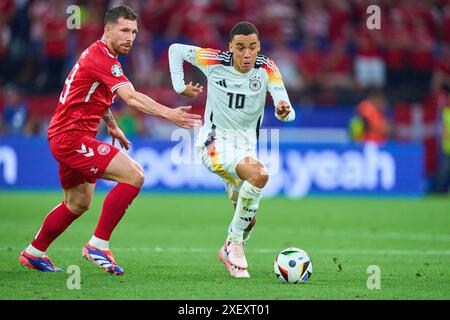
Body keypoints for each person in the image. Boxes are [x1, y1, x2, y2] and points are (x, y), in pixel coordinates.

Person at [18, 5, 201, 275]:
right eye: (124, 30)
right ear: (108, 29)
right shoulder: (102, 58)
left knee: (77, 203)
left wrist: (112, 125)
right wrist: (169, 113)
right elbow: (131, 97)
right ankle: (98, 245)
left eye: (134, 32)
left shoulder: (100, 54)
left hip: (68, 135)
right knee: (134, 175)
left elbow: (92, 93)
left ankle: (33, 252)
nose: (130, 37)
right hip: (71, 138)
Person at [168, 21, 295, 278]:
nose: (246, 54)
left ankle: (232, 250)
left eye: (252, 47)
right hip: (213, 143)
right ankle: (233, 244)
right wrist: (180, 86)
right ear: (231, 47)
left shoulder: (267, 69)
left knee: (249, 216)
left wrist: (284, 111)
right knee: (259, 175)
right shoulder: (214, 60)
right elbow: (175, 49)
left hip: (245, 149)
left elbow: (287, 110)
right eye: (240, 48)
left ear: (259, 46)